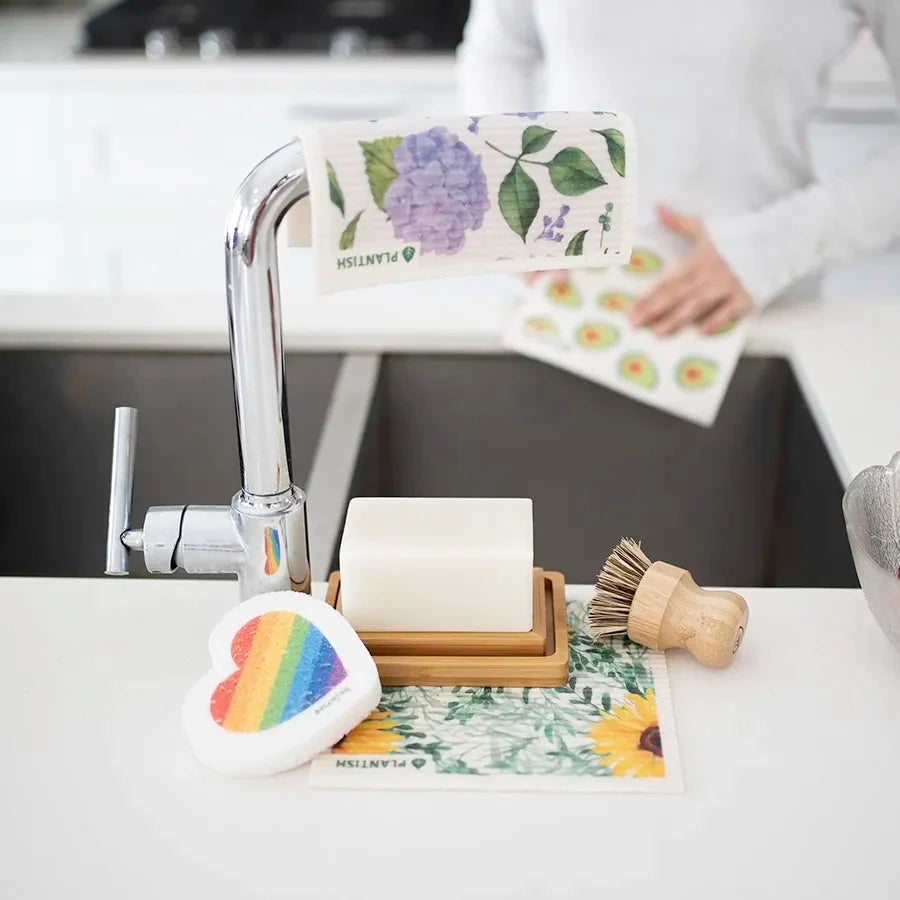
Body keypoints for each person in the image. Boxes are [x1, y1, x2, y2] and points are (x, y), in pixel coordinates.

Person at [457, 0, 900, 334]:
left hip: (760, 324)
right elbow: (500, 46)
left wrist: (776, 246)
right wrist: (512, 194)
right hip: (549, 309)